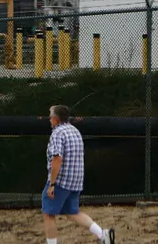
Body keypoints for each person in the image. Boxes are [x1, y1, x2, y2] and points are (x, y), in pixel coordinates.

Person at [43, 104, 115, 244]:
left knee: (48, 214)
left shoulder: (57, 133)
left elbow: (57, 158)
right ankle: (102, 234)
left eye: (50, 117)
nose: (49, 119)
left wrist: (52, 184)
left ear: (56, 119)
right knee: (72, 212)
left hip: (61, 181)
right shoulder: (75, 130)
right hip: (76, 180)